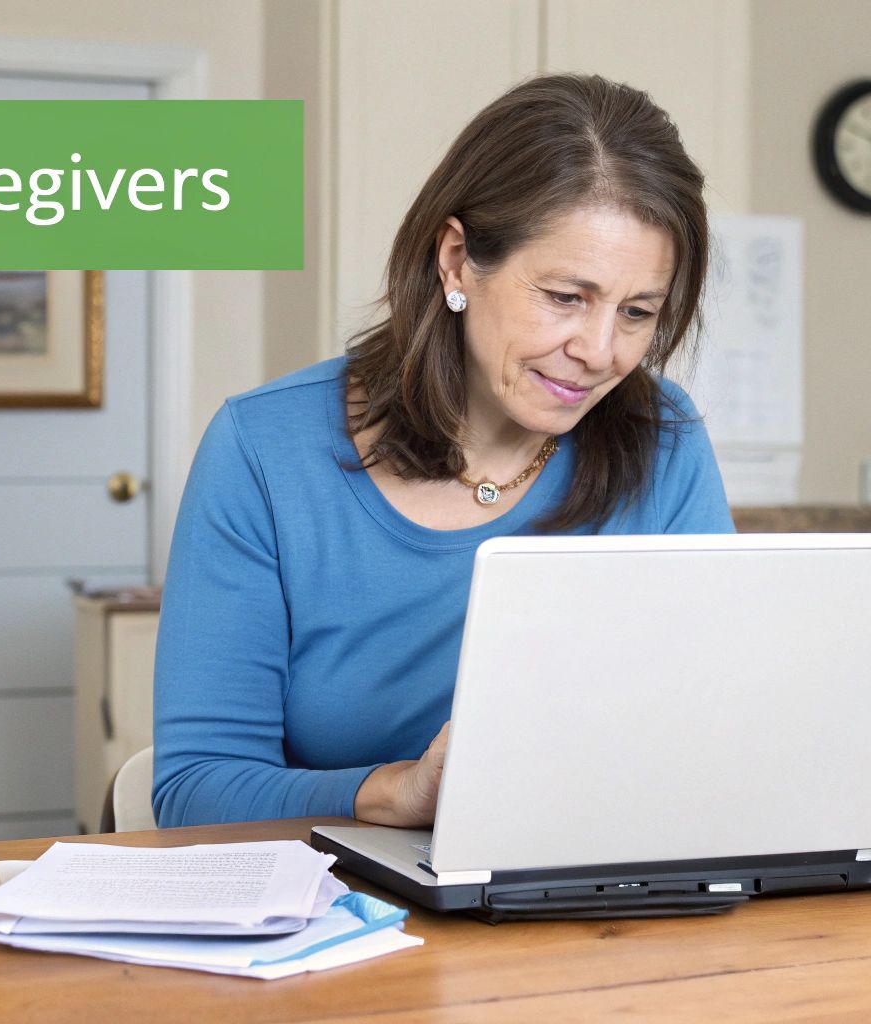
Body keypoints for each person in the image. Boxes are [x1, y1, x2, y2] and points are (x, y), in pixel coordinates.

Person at [152, 74, 732, 829]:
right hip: (338, 922)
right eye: (565, 297)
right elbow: (196, 790)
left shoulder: (662, 438)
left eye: (637, 312)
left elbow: (715, 727)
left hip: (592, 898)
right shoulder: (265, 451)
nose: (598, 351)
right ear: (458, 261)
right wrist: (394, 791)